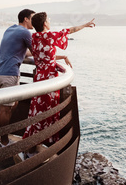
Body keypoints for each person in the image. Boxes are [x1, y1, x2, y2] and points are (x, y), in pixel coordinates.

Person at [22, 12, 95, 148]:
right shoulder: (50, 36)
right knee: (49, 108)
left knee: (38, 109)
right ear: (44, 24)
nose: (49, 22)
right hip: (50, 79)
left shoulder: (35, 37)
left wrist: (62, 57)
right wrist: (85, 25)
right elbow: (69, 31)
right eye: (48, 20)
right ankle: (45, 141)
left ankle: (33, 140)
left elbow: (45, 56)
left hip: (39, 77)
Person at [0, 8, 35, 148]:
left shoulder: (11, 29)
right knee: (5, 109)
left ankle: (4, 136)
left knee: (14, 104)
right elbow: (37, 51)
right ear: (26, 19)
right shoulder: (25, 32)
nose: (34, 21)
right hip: (9, 75)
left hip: (0, 72)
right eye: (33, 18)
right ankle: (3, 141)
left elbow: (23, 51)